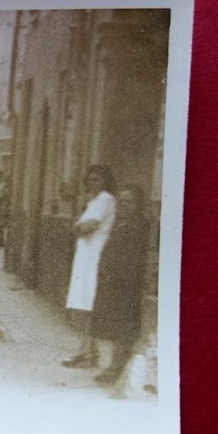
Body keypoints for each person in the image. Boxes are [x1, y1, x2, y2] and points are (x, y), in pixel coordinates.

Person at [90, 188, 149, 385]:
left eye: (129, 201)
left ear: (139, 204)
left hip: (126, 284)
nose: (124, 205)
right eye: (121, 201)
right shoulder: (119, 223)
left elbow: (134, 258)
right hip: (112, 283)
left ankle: (117, 368)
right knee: (115, 327)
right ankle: (115, 366)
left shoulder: (139, 226)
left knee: (123, 328)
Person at [62, 164, 118, 368]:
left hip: (94, 258)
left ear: (106, 181)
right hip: (85, 258)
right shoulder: (94, 201)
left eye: (98, 179)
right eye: (90, 179)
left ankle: (87, 353)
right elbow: (80, 227)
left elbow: (85, 228)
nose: (93, 183)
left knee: (86, 305)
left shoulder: (105, 199)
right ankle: (88, 351)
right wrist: (78, 226)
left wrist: (78, 226)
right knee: (81, 306)